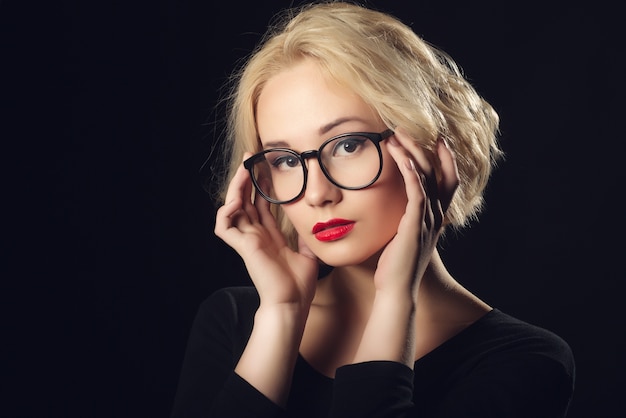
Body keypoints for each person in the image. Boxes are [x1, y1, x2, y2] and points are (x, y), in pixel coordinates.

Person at [171, 2, 575, 417]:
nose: (317, 194)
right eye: (286, 160)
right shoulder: (234, 321)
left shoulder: (526, 361)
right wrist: (282, 314)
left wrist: (396, 298)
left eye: (348, 145)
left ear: (430, 150)